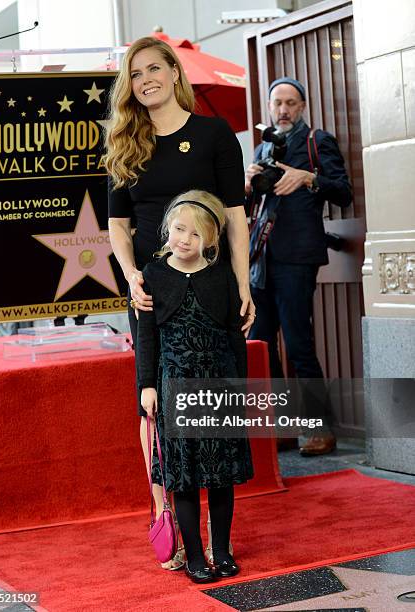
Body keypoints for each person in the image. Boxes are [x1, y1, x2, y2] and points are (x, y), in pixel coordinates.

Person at [104, 36, 254, 569]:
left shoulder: (214, 135)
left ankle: (221, 542)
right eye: (134, 73)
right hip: (153, 292)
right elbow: (118, 225)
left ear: (173, 72)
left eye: (153, 69)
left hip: (212, 291)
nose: (144, 79)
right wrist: (131, 279)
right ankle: (175, 530)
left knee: (217, 412)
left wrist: (242, 283)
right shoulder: (126, 143)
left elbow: (235, 216)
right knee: (158, 409)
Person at [137, 190, 253, 583]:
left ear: (211, 241)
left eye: (195, 234)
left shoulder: (222, 275)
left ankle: (220, 548)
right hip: (174, 385)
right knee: (183, 478)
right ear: (167, 228)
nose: (184, 239)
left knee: (220, 477)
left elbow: (235, 334)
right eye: (178, 229)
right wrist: (146, 386)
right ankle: (195, 558)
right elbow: (147, 337)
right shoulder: (153, 276)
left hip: (217, 384)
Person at [245, 77, 352, 456]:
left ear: (303, 107)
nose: (284, 110)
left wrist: (308, 178)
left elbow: (343, 192)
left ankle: (321, 430)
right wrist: (245, 186)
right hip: (262, 257)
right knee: (259, 343)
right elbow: (252, 207)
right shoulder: (262, 148)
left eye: (291, 103)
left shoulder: (316, 142)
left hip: (297, 258)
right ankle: (283, 429)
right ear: (270, 107)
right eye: (278, 103)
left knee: (298, 343)